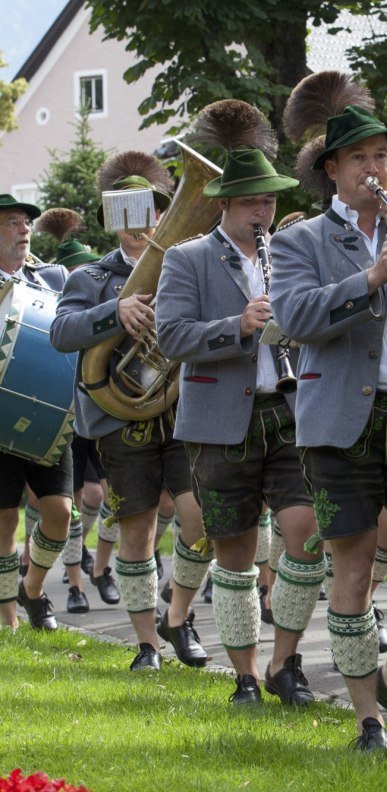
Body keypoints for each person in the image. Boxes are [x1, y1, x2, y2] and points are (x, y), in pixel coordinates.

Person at [269, 92, 387, 753]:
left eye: (382, 156)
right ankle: (367, 721)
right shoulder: (298, 241)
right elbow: (293, 319)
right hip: (338, 420)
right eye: (360, 158)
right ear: (332, 170)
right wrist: (372, 277)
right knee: (350, 573)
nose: (375, 168)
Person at [156, 99, 325, 707]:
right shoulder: (186, 258)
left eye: (270, 200)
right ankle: (246, 676)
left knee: (305, 534)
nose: (264, 211)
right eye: (253, 201)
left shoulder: (292, 252)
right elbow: (170, 335)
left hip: (289, 409)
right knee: (235, 551)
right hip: (219, 416)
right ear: (224, 203)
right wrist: (238, 324)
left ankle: (287, 662)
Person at [50, 153, 211, 670]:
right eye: (130, 211)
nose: (143, 222)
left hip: (182, 413)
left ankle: (178, 614)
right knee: (136, 532)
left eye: (154, 210)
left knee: (202, 520)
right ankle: (148, 644)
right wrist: (113, 311)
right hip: (122, 421)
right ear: (114, 220)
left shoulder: (189, 267)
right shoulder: (92, 277)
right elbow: (61, 334)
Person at [0, 194, 72, 631]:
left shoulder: (52, 278)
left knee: (60, 513)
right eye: (12, 222)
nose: (25, 229)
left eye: (26, 222)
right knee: (5, 520)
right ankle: (7, 619)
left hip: (49, 414)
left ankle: (32, 588)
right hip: (1, 418)